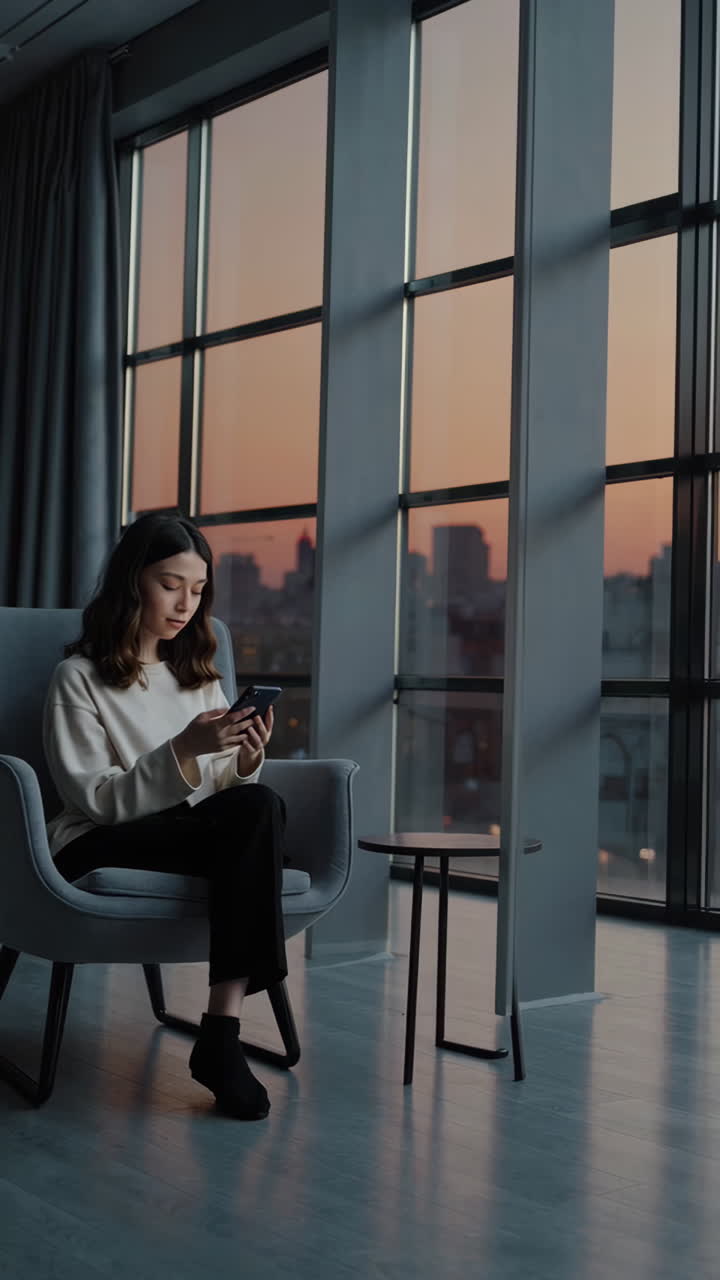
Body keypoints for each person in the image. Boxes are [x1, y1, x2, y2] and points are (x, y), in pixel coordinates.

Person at [42, 511, 288, 1122]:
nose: (185, 604)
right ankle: (221, 1044)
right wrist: (183, 748)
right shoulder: (78, 678)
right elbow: (95, 799)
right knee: (256, 819)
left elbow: (221, 793)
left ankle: (221, 1030)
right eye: (170, 584)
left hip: (180, 831)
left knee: (260, 803)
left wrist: (245, 758)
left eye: (198, 590)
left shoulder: (196, 676)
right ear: (133, 582)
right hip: (97, 838)